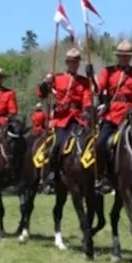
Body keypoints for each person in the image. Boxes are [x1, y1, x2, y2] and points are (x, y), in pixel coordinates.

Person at [94, 40, 132, 193]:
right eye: (122, 56)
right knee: (100, 144)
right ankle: (103, 176)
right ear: (118, 56)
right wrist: (91, 77)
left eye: (127, 56)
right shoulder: (108, 71)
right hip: (112, 115)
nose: (125, 58)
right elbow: (98, 89)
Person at [37, 47, 93, 190]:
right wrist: (45, 83)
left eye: (76, 62)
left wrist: (87, 110)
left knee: (89, 141)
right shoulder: (57, 78)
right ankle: (51, 174)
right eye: (71, 62)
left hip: (78, 118)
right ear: (67, 63)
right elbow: (41, 94)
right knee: (58, 143)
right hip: (61, 119)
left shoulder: (83, 81)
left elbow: (86, 99)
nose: (74, 64)